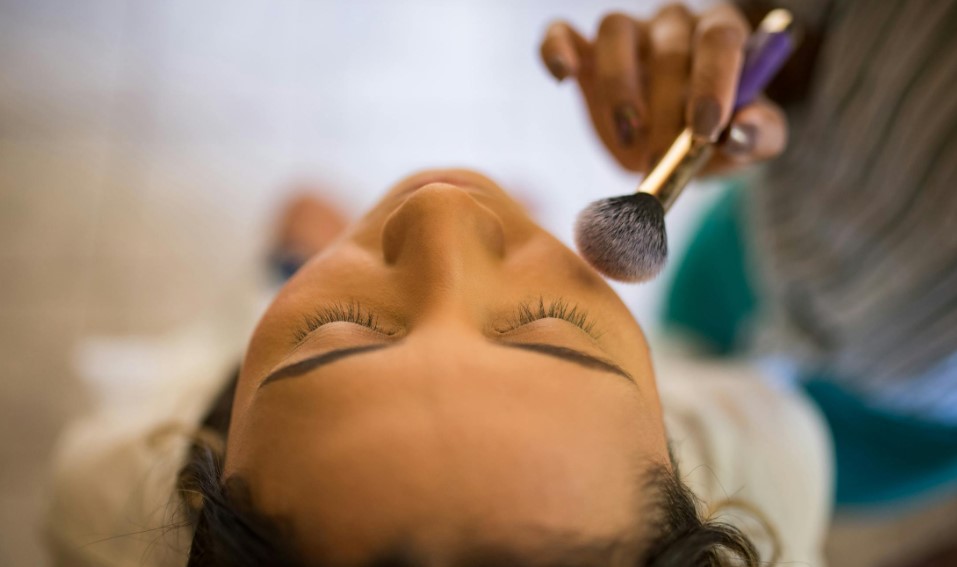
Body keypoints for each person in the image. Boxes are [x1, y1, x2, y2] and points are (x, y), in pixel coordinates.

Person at [46, 4, 833, 567]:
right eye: (550, 323)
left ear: (210, 481)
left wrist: (294, 276)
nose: (439, 210)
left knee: (308, 213)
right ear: (674, 454)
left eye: (337, 332)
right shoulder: (768, 450)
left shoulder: (109, 492)